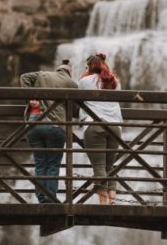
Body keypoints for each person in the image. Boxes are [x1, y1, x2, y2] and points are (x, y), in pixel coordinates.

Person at [20, 60, 79, 203]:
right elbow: (76, 111)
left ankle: (41, 198)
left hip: (34, 122)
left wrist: (30, 99)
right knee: (53, 165)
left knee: (40, 163)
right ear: (69, 73)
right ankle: (50, 198)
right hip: (55, 125)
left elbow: (24, 77)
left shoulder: (42, 74)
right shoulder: (71, 84)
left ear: (58, 70)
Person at [78, 53, 124, 205]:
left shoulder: (84, 81)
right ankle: (112, 200)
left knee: (99, 166)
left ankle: (103, 203)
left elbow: (78, 101)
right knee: (110, 167)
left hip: (94, 125)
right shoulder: (115, 82)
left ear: (90, 67)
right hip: (115, 127)